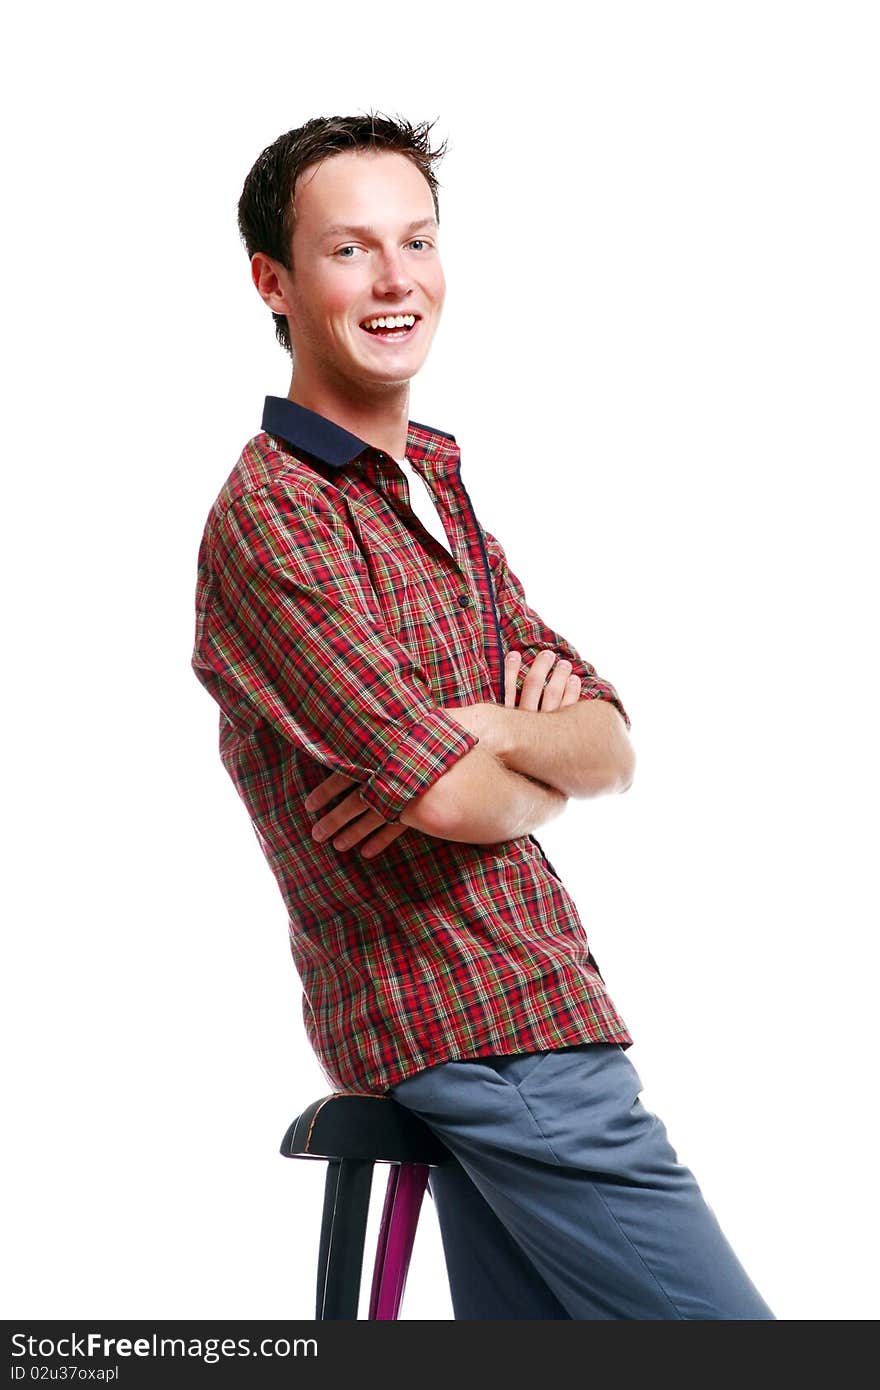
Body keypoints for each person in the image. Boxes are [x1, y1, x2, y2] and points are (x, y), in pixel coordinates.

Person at [191, 113, 775, 1320]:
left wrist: (489, 728)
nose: (397, 279)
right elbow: (453, 800)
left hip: (531, 1020)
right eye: (351, 250)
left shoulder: (435, 487)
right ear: (275, 282)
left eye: (418, 240)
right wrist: (489, 748)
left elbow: (608, 740)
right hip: (477, 1029)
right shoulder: (277, 519)